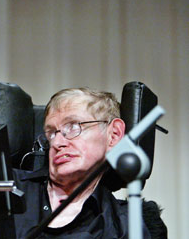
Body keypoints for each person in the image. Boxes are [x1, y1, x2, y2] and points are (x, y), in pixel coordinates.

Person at [14, 87, 167, 238]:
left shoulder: (124, 226)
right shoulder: (7, 186)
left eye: (73, 127)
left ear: (113, 135)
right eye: (52, 133)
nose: (57, 143)